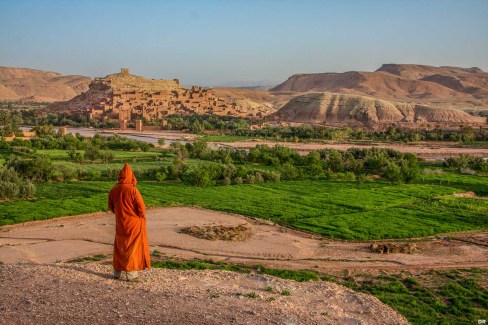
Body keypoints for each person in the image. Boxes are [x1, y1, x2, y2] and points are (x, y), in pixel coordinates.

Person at [108, 163, 150, 281]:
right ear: (131, 176)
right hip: (134, 224)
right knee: (132, 247)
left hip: (120, 223)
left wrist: (120, 214)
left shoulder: (114, 189)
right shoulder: (133, 190)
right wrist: (140, 218)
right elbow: (141, 208)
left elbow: (110, 206)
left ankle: (117, 273)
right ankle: (131, 275)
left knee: (120, 246)